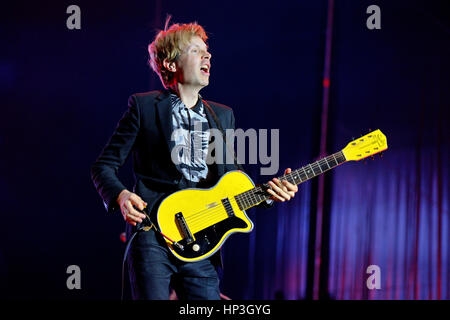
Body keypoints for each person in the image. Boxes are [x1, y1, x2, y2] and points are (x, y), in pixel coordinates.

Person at [90, 19, 298, 300]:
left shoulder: (222, 116)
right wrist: (121, 195)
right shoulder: (144, 106)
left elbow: (232, 184)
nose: (207, 56)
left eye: (207, 51)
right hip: (153, 234)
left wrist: (271, 194)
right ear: (172, 65)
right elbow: (103, 166)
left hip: (202, 241)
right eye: (196, 51)